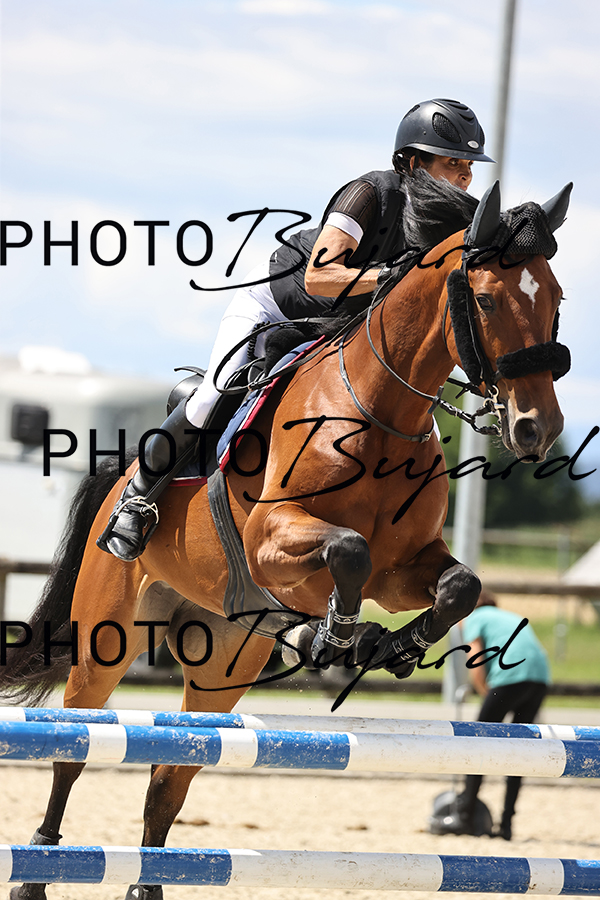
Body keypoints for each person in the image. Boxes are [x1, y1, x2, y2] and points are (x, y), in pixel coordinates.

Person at [98, 98, 493, 561]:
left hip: (343, 327)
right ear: (411, 162)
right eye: (452, 163)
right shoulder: (369, 194)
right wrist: (390, 277)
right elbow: (319, 276)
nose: (464, 177)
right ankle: (137, 497)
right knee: (212, 396)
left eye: (469, 167)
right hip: (276, 305)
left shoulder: (450, 226)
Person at [452, 591, 550, 840]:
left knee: (479, 742)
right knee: (519, 749)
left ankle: (465, 817)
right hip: (540, 678)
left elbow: (476, 662)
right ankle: (506, 824)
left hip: (510, 678)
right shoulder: (508, 616)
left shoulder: (473, 617)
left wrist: (486, 693)